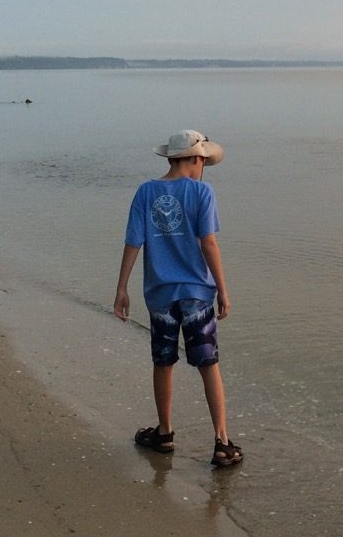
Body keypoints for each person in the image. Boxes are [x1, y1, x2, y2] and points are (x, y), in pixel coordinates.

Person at [113, 130, 243, 467]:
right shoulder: (202, 192)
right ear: (196, 159)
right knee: (208, 364)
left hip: (160, 294)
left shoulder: (146, 192)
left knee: (163, 363)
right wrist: (224, 290)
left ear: (171, 158)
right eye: (204, 162)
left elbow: (134, 241)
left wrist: (121, 288)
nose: (204, 169)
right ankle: (221, 442)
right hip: (197, 293)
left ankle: (166, 434)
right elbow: (208, 243)